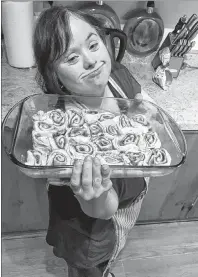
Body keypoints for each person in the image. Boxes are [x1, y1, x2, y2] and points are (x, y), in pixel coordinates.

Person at [33, 6, 152, 277]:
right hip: (88, 229)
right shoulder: (64, 133)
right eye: (72, 58)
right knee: (88, 264)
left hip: (127, 203)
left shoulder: (118, 75)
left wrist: (141, 116)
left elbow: (138, 102)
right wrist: (95, 197)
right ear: (55, 77)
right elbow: (102, 208)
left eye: (93, 44)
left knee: (112, 250)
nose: (91, 60)